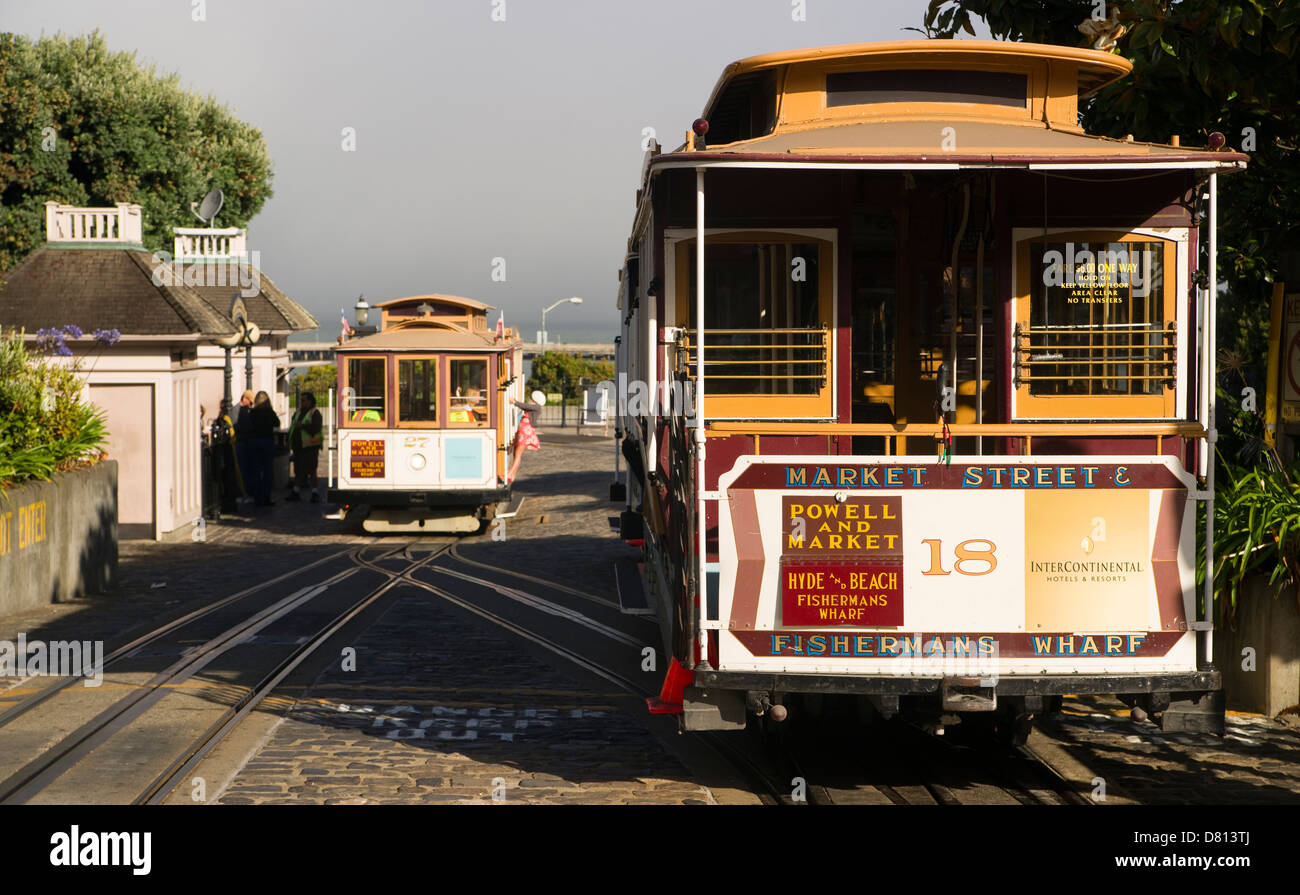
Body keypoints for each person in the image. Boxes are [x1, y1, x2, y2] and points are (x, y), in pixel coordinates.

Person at [287, 391, 324, 503]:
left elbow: (316, 428)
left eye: (303, 400)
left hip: (310, 448)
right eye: (301, 400)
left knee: (311, 470)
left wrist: (302, 426)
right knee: (298, 471)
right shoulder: (298, 412)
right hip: (298, 447)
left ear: (310, 401)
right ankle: (296, 491)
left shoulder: (315, 413)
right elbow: (293, 425)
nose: (301, 403)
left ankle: (315, 492)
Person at [209, 399, 242, 514]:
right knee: (227, 479)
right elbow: (232, 436)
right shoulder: (224, 420)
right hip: (226, 454)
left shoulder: (224, 419)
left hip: (225, 453)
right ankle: (226, 503)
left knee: (227, 479)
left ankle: (226, 502)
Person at [248, 390, 280, 506]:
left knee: (255, 470)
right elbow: (277, 423)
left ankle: (257, 497)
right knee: (267, 471)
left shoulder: (252, 413)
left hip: (254, 442)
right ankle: (266, 497)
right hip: (267, 441)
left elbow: (248, 426)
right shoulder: (269, 412)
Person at [506, 395, 542, 484]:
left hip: (526, 432)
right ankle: (512, 475)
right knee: (516, 453)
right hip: (523, 432)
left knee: (518, 454)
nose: (529, 401)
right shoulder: (533, 408)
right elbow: (526, 407)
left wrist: (515, 402)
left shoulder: (536, 407)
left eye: (531, 400)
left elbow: (525, 406)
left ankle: (510, 474)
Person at [233, 389, 254, 504]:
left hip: (246, 442)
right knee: (241, 470)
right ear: (244, 399)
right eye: (250, 402)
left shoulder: (246, 410)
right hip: (240, 442)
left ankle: (246, 493)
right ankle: (241, 493)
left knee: (246, 469)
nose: (250, 404)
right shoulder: (236, 410)